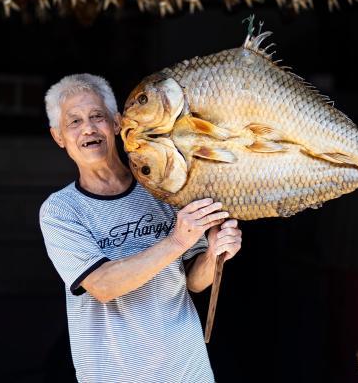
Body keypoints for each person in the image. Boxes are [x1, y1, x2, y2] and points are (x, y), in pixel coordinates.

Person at [39, 73, 242, 383]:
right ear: (59, 137)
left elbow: (193, 282)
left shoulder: (165, 185)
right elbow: (103, 286)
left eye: (97, 116)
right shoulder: (62, 210)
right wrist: (176, 242)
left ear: (118, 122)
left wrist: (214, 254)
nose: (89, 128)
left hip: (187, 372)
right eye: (74, 122)